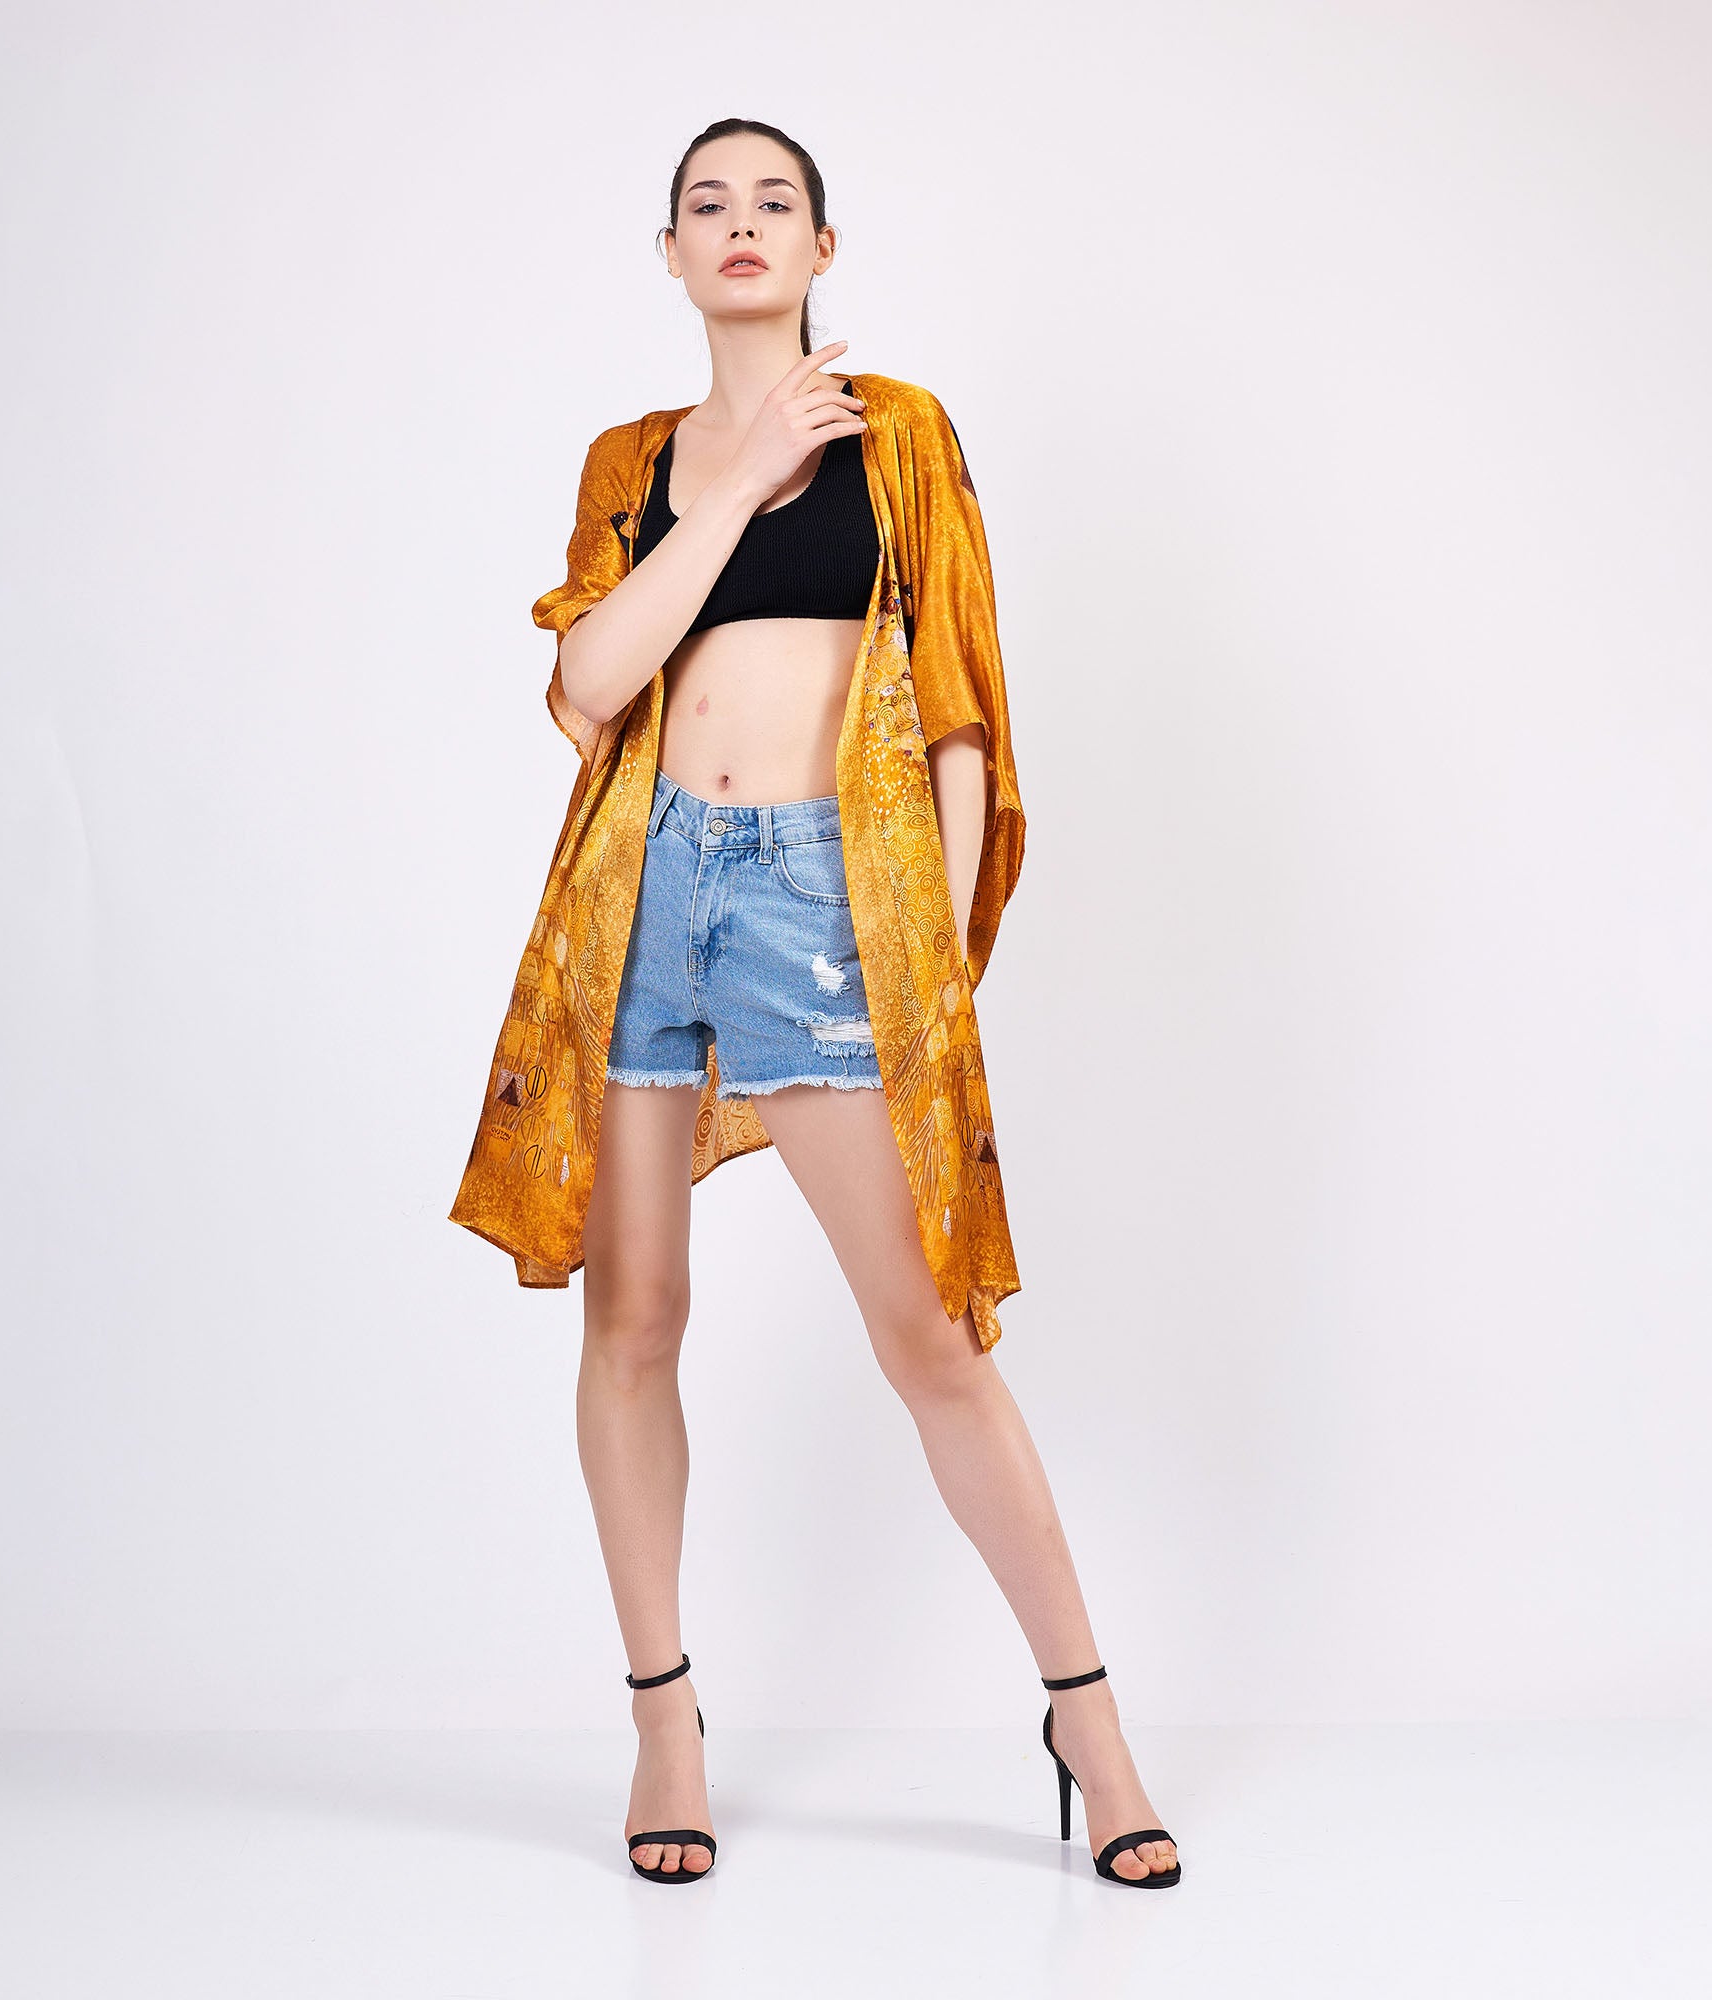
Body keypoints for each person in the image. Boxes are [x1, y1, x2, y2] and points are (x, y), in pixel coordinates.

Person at [449, 117, 1182, 1890]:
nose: (742, 225)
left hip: (825, 898)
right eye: (708, 205)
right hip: (643, 891)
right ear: (671, 253)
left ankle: (1088, 1719)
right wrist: (735, 478)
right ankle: (665, 1722)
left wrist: (924, 957)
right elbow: (591, 679)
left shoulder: (899, 433)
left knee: (928, 1334)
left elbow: (960, 708)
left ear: (823, 247)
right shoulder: (636, 461)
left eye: (774, 201)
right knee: (633, 1319)